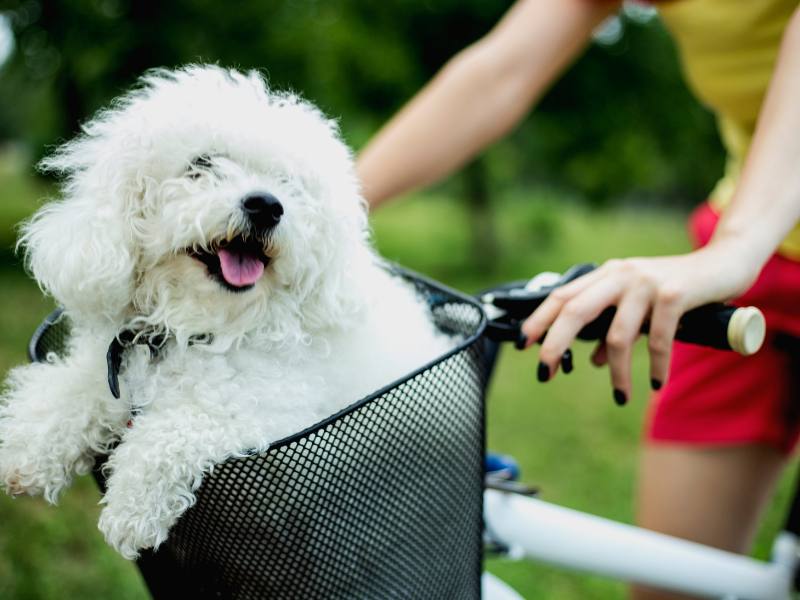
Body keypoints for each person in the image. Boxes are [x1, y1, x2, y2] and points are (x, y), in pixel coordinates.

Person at [355, 1, 800, 598]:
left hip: (739, 249)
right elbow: (499, 71)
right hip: (756, 258)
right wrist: (325, 212)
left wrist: (730, 253)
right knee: (675, 581)